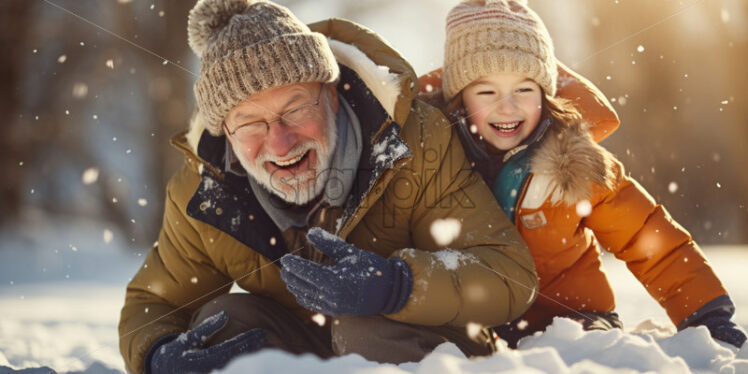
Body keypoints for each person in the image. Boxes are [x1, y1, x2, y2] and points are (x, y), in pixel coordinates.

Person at [118, 0, 540, 373]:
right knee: (223, 323)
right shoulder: (202, 191)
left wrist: (400, 285)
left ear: (332, 95)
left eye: (296, 108)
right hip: (305, 346)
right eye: (250, 124)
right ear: (226, 132)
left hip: (429, 347)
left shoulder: (413, 141)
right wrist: (157, 354)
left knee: (365, 328)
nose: (280, 143)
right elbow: (153, 303)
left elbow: (509, 274)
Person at [420, 0, 746, 349]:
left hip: (575, 321)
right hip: (471, 324)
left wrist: (707, 313)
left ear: (546, 94)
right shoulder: (432, 164)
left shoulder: (573, 162)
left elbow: (645, 237)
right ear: (459, 99)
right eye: (487, 92)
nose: (508, 106)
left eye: (524, 90)